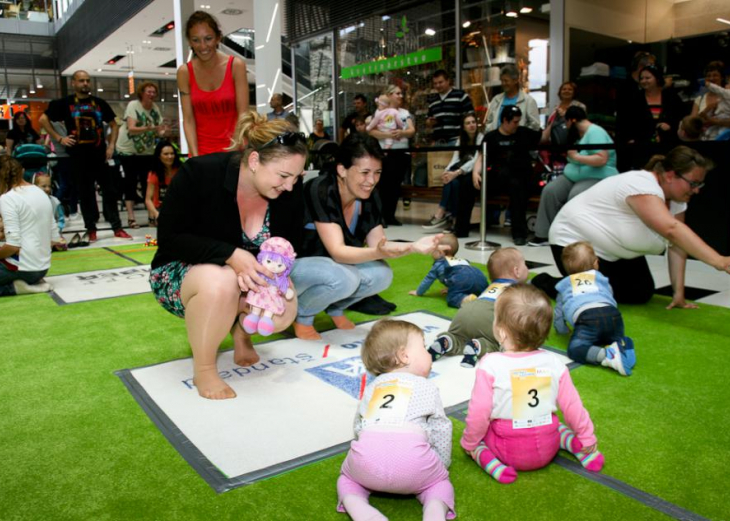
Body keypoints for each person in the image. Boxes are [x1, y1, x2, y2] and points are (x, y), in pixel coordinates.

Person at [149, 112, 308, 400]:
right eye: (284, 176)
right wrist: (230, 255)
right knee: (222, 280)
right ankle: (205, 368)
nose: (290, 186)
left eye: (297, 177)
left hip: (247, 275)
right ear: (255, 160)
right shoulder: (199, 172)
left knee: (284, 308)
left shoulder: (289, 191)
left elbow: (290, 244)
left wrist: (275, 278)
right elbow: (170, 239)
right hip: (182, 271)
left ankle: (241, 332)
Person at [291, 133, 444, 340]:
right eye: (364, 172)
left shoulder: (370, 197)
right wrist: (377, 251)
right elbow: (338, 253)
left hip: (331, 268)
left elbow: (379, 244)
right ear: (342, 169)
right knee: (346, 277)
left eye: (377, 172)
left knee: (382, 274)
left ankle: (334, 308)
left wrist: (413, 246)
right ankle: (303, 316)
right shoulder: (321, 188)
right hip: (292, 269)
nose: (371, 181)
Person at [533, 146, 730, 306]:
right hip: (572, 245)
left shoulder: (677, 200)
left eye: (699, 185)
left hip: (613, 252)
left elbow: (678, 244)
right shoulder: (641, 184)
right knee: (597, 293)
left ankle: (577, 283)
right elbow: (672, 230)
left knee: (641, 293)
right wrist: (719, 261)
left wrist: (678, 294)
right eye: (693, 183)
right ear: (670, 175)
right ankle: (547, 283)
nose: (696, 190)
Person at [461, 284, 604, 484]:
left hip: (507, 449)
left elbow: (479, 412)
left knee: (477, 441)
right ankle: (581, 448)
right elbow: (573, 406)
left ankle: (493, 465)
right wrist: (587, 435)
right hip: (548, 444)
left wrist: (470, 440)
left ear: (501, 333)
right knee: (560, 427)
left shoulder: (490, 364)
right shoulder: (554, 362)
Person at [337, 319, 456, 521]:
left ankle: (360, 510)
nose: (429, 353)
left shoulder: (372, 387)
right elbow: (441, 427)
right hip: (415, 466)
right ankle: (435, 512)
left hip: (366, 464)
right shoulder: (427, 386)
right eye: (425, 348)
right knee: (440, 484)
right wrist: (441, 464)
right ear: (404, 356)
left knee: (346, 480)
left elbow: (359, 425)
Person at [39, 70, 131, 243]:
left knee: (110, 191)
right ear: (73, 83)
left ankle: (117, 227)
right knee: (85, 193)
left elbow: (114, 124)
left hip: (100, 155)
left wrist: (111, 145)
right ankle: (91, 228)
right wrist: (59, 138)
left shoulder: (99, 103)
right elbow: (43, 120)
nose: (85, 84)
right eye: (81, 81)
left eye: (88, 80)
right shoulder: (64, 104)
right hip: (77, 157)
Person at [529, 106, 618, 246]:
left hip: (597, 176)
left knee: (576, 194)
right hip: (574, 175)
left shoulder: (595, 132)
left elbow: (601, 159)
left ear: (571, 120)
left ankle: (573, 237)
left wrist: (576, 157)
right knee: (550, 190)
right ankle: (544, 234)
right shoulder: (577, 135)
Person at [427, 247, 529, 368]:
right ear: (517, 271)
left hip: (465, 311)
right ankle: (478, 346)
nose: (527, 268)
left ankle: (447, 340)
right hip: (489, 316)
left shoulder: (491, 286)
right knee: (497, 342)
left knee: (459, 337)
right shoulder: (519, 290)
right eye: (525, 265)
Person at [554, 241, 636, 375]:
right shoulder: (601, 279)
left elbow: (558, 312)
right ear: (596, 263)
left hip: (587, 318)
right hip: (613, 315)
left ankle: (606, 355)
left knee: (575, 349)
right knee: (610, 337)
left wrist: (562, 329)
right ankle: (622, 344)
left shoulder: (565, 285)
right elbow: (609, 295)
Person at [177, 10, 248, 157]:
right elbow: (188, 119)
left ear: (218, 38)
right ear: (190, 42)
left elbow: (243, 114)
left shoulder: (236, 66)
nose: (203, 46)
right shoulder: (184, 72)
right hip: (201, 154)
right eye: (196, 40)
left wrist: (233, 150)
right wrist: (195, 157)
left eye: (208, 38)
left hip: (234, 150)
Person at [468, 106, 541, 245]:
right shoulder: (491, 136)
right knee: (466, 183)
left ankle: (519, 233)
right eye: (514, 122)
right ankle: (461, 228)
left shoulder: (523, 132)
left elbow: (542, 137)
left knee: (517, 186)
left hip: (519, 178)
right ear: (505, 121)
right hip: (498, 177)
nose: (517, 125)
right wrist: (475, 172)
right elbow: (481, 156)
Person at [0, 156, 59, 296]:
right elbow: (55, 236)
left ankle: (13, 288)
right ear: (22, 171)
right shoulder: (40, 192)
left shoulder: (8, 198)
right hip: (42, 268)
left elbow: (13, 246)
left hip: (23, 268)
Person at [116, 81, 167, 229]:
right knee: (130, 183)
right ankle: (131, 218)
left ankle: (152, 216)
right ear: (142, 93)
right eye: (148, 91)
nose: (151, 94)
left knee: (148, 184)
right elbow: (132, 129)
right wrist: (151, 128)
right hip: (128, 150)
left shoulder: (155, 108)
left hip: (147, 151)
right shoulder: (133, 105)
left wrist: (163, 131)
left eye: (153, 92)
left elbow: (159, 130)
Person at [422, 112, 484, 233]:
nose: (472, 125)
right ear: (464, 126)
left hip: (473, 173)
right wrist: (446, 172)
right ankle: (454, 219)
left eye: (473, 122)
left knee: (454, 180)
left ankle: (441, 213)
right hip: (459, 171)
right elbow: (455, 158)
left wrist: (456, 172)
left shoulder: (481, 138)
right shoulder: (461, 139)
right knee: (452, 182)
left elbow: (475, 161)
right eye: (468, 123)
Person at [367, 84, 416, 226]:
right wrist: (388, 134)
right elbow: (371, 131)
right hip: (385, 153)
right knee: (383, 185)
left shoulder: (404, 112)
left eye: (401, 93)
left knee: (395, 186)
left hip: (401, 153)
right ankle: (380, 216)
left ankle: (390, 215)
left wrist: (402, 133)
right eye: (397, 93)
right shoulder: (380, 112)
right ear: (388, 95)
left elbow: (411, 130)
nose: (400, 96)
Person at [624, 65, 684, 168]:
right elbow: (626, 122)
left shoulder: (671, 97)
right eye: (641, 78)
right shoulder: (635, 98)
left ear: (657, 78)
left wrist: (671, 126)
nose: (644, 81)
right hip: (642, 146)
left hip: (668, 145)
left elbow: (681, 117)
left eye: (647, 78)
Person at [408, 233, 487, 308]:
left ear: (440, 252)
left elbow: (428, 279)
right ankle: (485, 296)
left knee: (452, 298)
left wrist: (418, 292)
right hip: (480, 277)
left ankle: (467, 299)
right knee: (472, 287)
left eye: (433, 250)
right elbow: (463, 275)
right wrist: (450, 287)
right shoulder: (461, 260)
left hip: (462, 279)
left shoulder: (439, 264)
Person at [539, 81, 586, 173]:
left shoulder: (580, 106)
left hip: (571, 146)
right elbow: (549, 126)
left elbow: (580, 125)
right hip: (554, 149)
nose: (566, 91)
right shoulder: (555, 108)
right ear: (560, 92)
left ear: (574, 92)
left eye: (570, 89)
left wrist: (566, 116)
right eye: (564, 89)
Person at [485, 64, 540, 132]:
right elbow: (488, 122)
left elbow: (535, 126)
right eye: (502, 81)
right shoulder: (496, 100)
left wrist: (520, 135)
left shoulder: (528, 101)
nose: (503, 83)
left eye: (506, 81)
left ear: (515, 80)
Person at [426, 69, 474, 145]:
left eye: (440, 82)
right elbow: (428, 120)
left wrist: (464, 137)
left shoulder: (460, 95)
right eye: (435, 83)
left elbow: (470, 116)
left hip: (456, 140)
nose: (438, 85)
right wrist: (430, 122)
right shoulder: (433, 100)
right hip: (438, 141)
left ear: (448, 81)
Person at [690, 61, 730, 141]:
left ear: (722, 77)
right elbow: (691, 124)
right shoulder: (699, 99)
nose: (711, 78)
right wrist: (707, 108)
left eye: (715, 75)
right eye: (708, 76)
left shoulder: (728, 96)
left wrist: (714, 121)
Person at [145, 140, 180, 227]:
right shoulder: (154, 174)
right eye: (166, 154)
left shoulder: (180, 171)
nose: (170, 156)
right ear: (159, 156)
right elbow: (148, 199)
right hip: (162, 209)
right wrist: (156, 214)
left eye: (172, 153)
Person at [31, 172, 66, 250]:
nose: (47, 189)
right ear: (34, 187)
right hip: (35, 235)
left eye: (49, 186)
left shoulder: (55, 202)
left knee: (61, 244)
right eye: (44, 186)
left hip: (52, 233)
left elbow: (61, 220)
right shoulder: (29, 202)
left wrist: (56, 230)